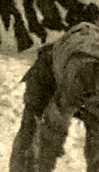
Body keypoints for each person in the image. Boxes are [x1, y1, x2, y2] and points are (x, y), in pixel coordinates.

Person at [9, 17, 99, 172]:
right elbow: (51, 132)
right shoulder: (80, 75)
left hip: (85, 85)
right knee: (32, 134)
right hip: (47, 76)